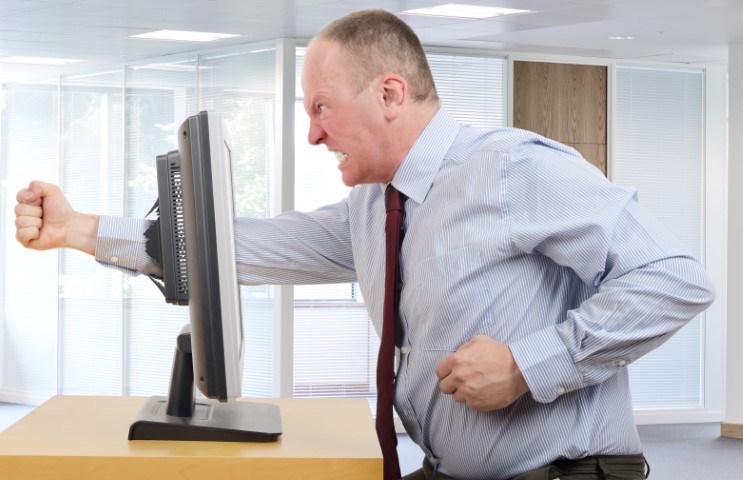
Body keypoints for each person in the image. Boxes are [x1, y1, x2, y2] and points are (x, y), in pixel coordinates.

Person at [14, 8, 714, 480]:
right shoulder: (376, 206)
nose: (313, 134)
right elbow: (242, 245)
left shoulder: (512, 168)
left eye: (320, 108)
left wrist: (531, 364)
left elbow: (674, 277)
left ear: (388, 93)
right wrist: (79, 230)